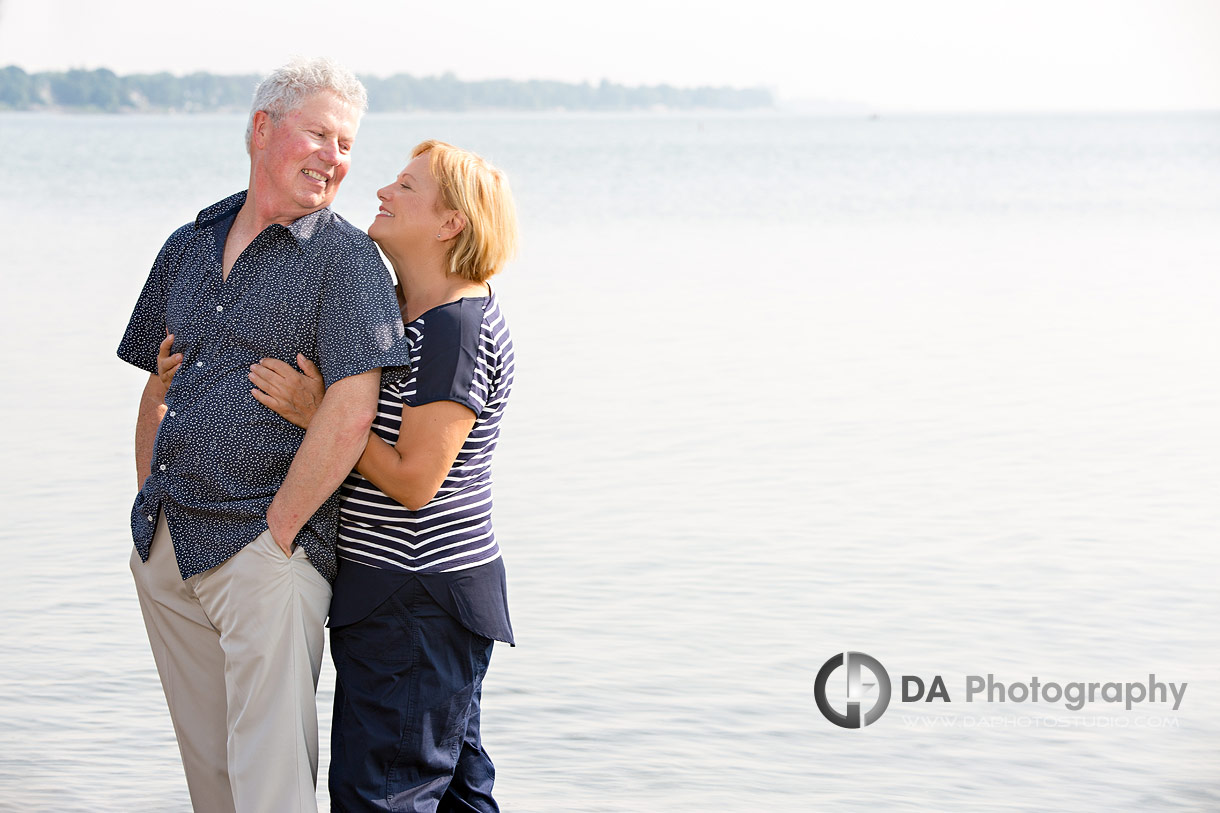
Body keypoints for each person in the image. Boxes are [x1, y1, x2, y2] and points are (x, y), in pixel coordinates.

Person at [117, 58, 409, 813]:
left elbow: (351, 408)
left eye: (346, 144)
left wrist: (277, 536)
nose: (335, 156)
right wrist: (149, 502)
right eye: (319, 133)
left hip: (264, 557)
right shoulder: (190, 241)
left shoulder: (346, 261)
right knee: (210, 781)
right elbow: (157, 380)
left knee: (272, 786)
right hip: (170, 550)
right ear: (261, 130)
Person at [241, 140, 519, 812]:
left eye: (406, 187)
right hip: (409, 604)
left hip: (415, 604)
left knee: (380, 795)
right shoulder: (411, 315)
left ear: (450, 223)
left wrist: (321, 417)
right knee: (451, 792)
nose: (382, 193)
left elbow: (416, 479)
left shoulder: (454, 328)